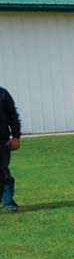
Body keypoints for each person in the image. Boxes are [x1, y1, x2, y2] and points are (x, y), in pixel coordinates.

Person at [0, 84, 20, 213]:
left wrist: (16, 136)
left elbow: (13, 115)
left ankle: (8, 202)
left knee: (2, 171)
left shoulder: (2, 94)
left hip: (1, 140)